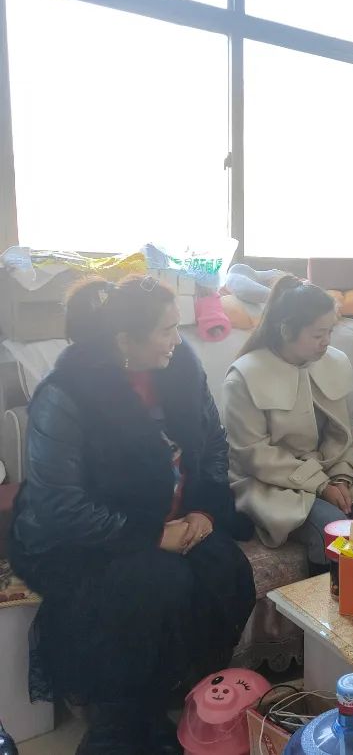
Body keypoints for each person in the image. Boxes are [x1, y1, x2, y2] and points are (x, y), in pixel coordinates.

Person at [8, 276, 256, 755]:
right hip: (82, 536)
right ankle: (121, 723)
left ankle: (184, 691)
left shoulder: (181, 368)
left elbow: (213, 442)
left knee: (226, 569)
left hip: (176, 519)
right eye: (166, 330)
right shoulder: (66, 394)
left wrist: (204, 510)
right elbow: (59, 504)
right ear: (125, 341)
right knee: (155, 585)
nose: (177, 339)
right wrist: (151, 535)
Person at [222, 276, 353, 567]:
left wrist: (341, 477)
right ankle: (330, 597)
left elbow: (345, 433)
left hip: (329, 472)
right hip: (270, 484)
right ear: (286, 330)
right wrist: (321, 485)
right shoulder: (244, 375)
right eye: (317, 334)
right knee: (335, 532)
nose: (326, 341)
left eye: (330, 332)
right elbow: (254, 454)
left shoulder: (335, 362)